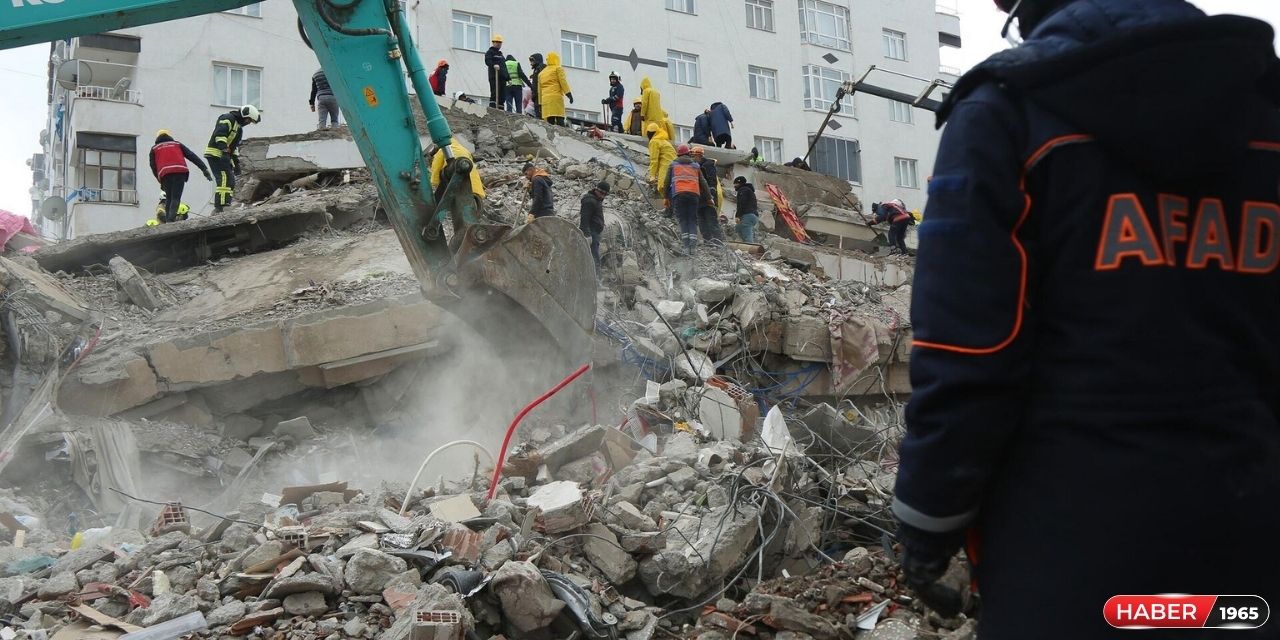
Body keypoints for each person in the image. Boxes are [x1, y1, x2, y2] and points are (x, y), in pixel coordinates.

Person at [893, 1, 1280, 639]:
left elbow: (968, 356)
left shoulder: (1008, 112)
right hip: (1249, 553)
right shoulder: (1262, 108)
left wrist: (928, 525)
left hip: (1069, 561)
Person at [203, 105, 259, 214]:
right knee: (224, 179)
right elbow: (220, 135)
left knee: (231, 181)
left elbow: (234, 147)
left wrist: (236, 163)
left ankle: (226, 203)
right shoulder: (227, 118)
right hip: (215, 154)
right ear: (244, 115)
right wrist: (223, 149)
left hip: (223, 155)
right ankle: (220, 207)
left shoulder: (238, 128)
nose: (248, 123)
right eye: (249, 120)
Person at [149, 130, 210, 223]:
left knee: (169, 197)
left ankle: (169, 221)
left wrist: (160, 180)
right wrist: (204, 169)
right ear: (169, 136)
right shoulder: (177, 144)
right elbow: (192, 156)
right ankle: (170, 220)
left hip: (165, 174)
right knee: (176, 198)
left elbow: (153, 167)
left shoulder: (154, 149)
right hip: (179, 172)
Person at [665, 145, 713, 255]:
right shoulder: (695, 166)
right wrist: (709, 197)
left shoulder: (673, 165)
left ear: (678, 154)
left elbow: (666, 182)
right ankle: (693, 248)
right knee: (692, 219)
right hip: (693, 195)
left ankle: (686, 247)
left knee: (683, 220)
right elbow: (703, 183)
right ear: (688, 154)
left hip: (679, 195)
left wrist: (666, 197)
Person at [690, 146, 723, 245]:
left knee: (711, 221)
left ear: (698, 155)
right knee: (702, 223)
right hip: (699, 199)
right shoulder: (695, 166)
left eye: (693, 156)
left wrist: (711, 196)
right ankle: (708, 242)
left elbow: (711, 181)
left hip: (708, 199)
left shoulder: (707, 165)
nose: (692, 158)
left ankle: (718, 243)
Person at [579, 181, 609, 271]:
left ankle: (594, 274)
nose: (603, 196)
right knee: (593, 256)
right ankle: (596, 278)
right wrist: (587, 235)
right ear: (596, 190)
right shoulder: (589, 201)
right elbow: (584, 219)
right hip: (591, 233)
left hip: (595, 231)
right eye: (601, 193)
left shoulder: (596, 199)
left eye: (605, 194)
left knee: (594, 255)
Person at [537, 52, 573, 126]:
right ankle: (562, 136)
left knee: (550, 122)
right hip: (556, 97)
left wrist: (540, 103)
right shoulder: (558, 68)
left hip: (545, 100)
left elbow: (539, 90)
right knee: (560, 119)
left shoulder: (541, 73)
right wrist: (568, 94)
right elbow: (563, 82)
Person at [645, 122, 677, 196]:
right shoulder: (663, 140)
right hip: (675, 165)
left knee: (662, 186)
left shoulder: (654, 141)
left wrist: (652, 175)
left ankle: (669, 204)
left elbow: (654, 160)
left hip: (666, 165)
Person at [733, 176, 758, 243]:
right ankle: (742, 248)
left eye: (735, 184)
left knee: (747, 236)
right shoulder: (749, 190)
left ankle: (751, 250)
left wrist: (738, 216)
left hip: (748, 215)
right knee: (738, 228)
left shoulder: (743, 190)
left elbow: (742, 203)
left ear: (739, 183)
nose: (734, 186)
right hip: (753, 216)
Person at [484, 35, 507, 108]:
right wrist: (494, 65)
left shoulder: (501, 54)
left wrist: (507, 77)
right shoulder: (490, 52)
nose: (498, 43)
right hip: (494, 76)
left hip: (502, 77)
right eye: (496, 42)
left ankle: (501, 108)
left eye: (500, 42)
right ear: (493, 42)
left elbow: (504, 67)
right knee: (495, 92)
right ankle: (493, 108)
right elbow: (487, 61)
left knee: (502, 94)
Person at [528, 53, 545, 118]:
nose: (531, 63)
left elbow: (537, 83)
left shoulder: (540, 68)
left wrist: (534, 94)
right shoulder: (537, 69)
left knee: (539, 114)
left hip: (539, 96)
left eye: (532, 61)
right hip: (537, 95)